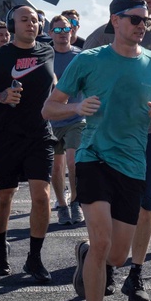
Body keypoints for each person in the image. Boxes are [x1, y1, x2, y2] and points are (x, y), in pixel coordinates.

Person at [43, 0, 151, 301]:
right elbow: (48, 108)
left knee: (116, 255)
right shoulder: (89, 60)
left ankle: (86, 256)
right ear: (114, 21)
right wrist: (75, 107)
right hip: (93, 158)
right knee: (102, 242)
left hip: (132, 165)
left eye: (146, 20)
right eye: (135, 19)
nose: (142, 26)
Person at [82, 0, 151, 301]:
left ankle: (136, 272)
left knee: (146, 201)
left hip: (149, 132)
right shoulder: (97, 37)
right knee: (109, 208)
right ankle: (103, 258)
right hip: (106, 136)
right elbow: (85, 76)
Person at [0, 5, 56, 283]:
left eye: (35, 20)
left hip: (39, 134)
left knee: (42, 196)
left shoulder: (47, 52)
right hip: (6, 135)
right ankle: (0, 247)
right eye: (24, 19)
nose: (31, 24)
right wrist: (0, 97)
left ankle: (34, 257)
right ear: (11, 25)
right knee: (6, 193)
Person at [48, 14, 85, 225]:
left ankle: (76, 202)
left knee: (73, 161)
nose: (63, 34)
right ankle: (62, 205)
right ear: (50, 33)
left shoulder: (81, 56)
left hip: (75, 116)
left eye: (67, 29)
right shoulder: (46, 56)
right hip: (51, 120)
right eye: (58, 30)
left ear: (72, 31)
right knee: (56, 166)